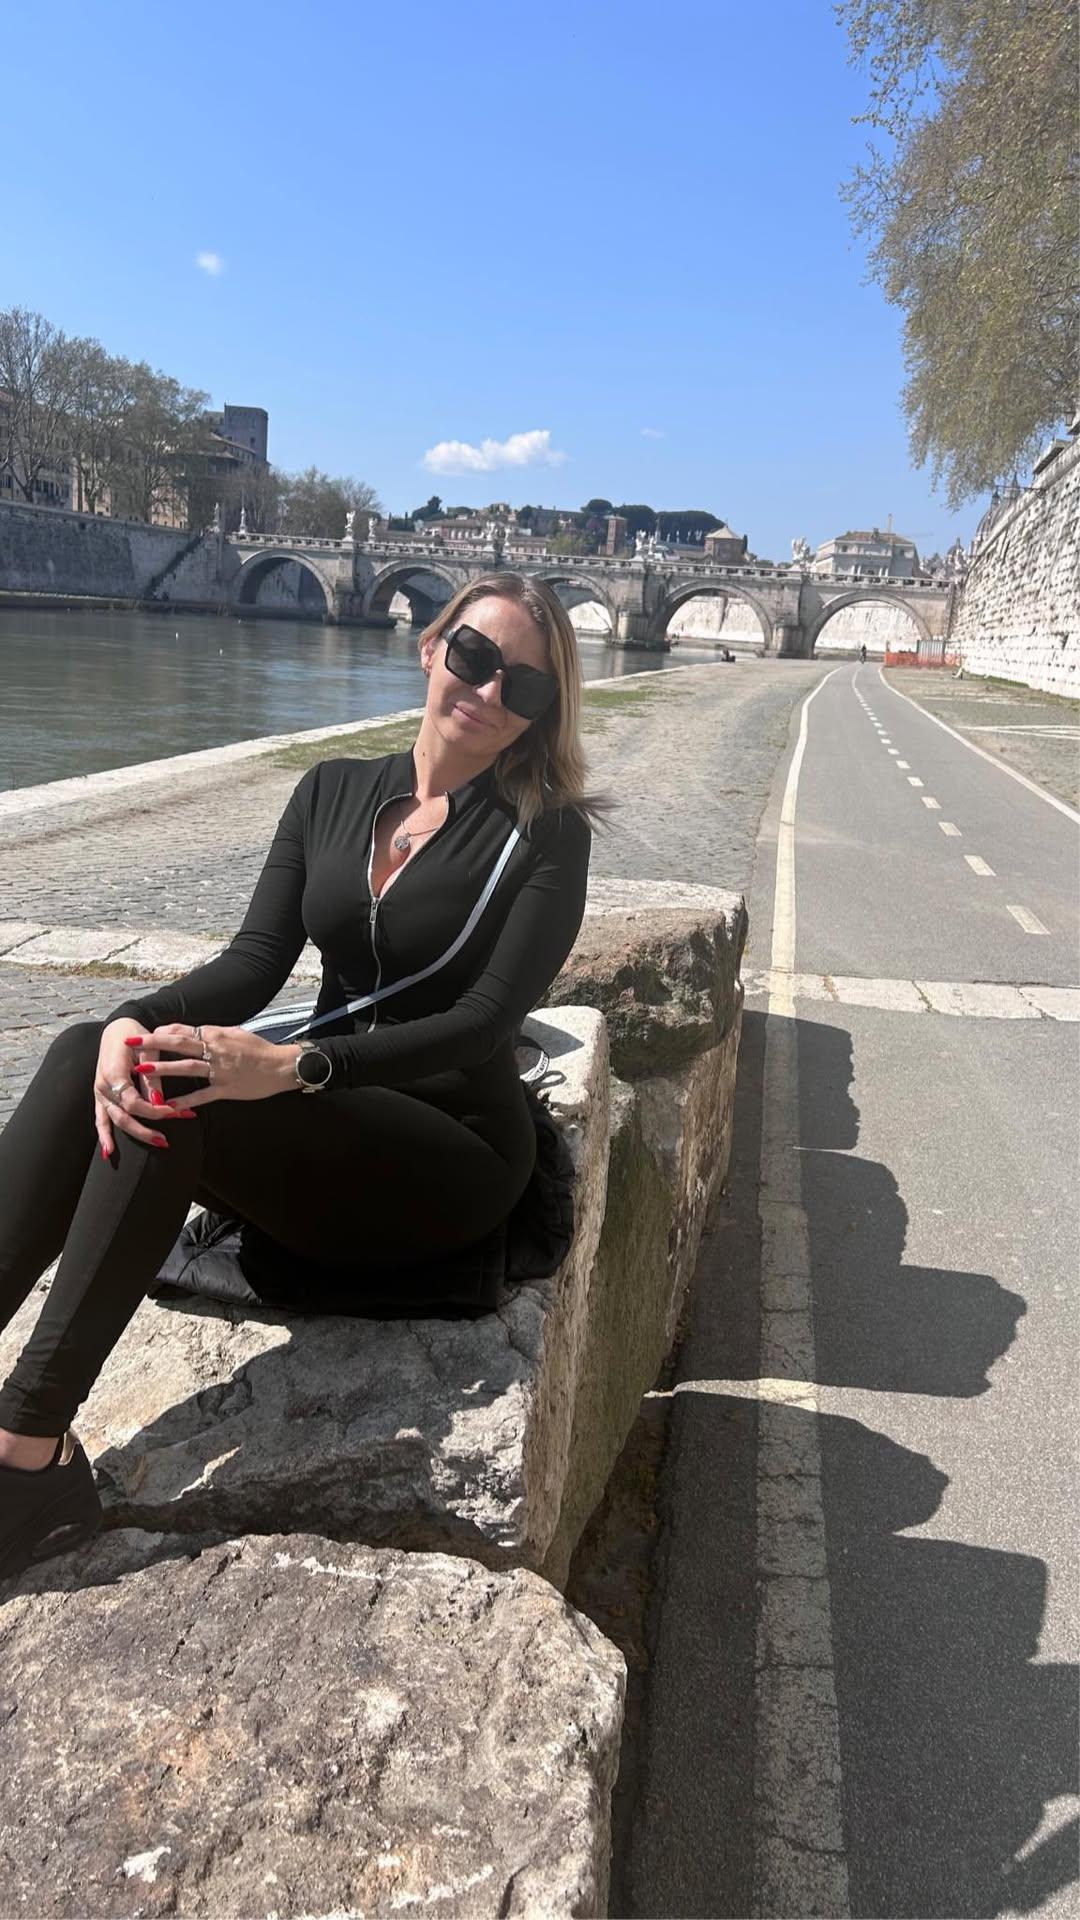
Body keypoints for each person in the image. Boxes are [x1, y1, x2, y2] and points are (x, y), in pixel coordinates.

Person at [0, 574, 601, 1582]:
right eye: (474, 656)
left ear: (542, 713)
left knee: (177, 1091)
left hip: (447, 1153)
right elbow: (253, 964)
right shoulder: (330, 790)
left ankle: (25, 1459)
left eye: (525, 687)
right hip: (325, 1122)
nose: (490, 690)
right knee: (86, 1055)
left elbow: (483, 1025)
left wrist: (292, 1066)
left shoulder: (546, 832)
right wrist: (128, 1018)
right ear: (432, 648)